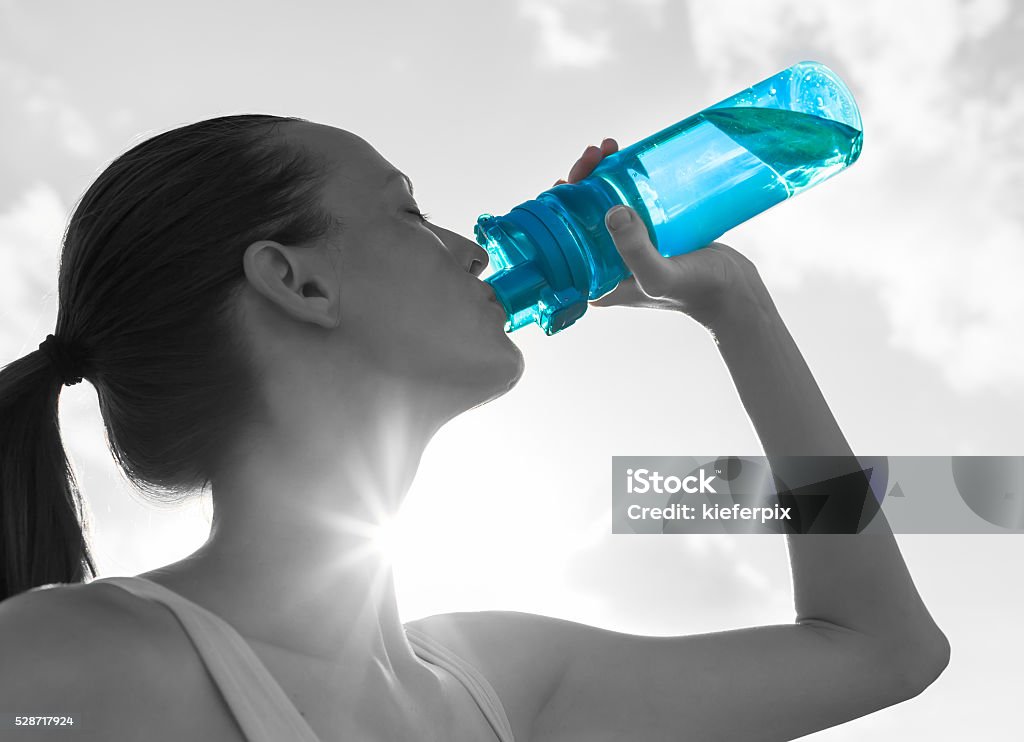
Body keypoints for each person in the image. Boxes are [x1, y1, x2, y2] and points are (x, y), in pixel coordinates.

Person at [0, 115, 948, 741]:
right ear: (300, 283)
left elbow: (882, 649)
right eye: (409, 210)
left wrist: (738, 309)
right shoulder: (63, 664)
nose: (468, 241)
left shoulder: (499, 685)